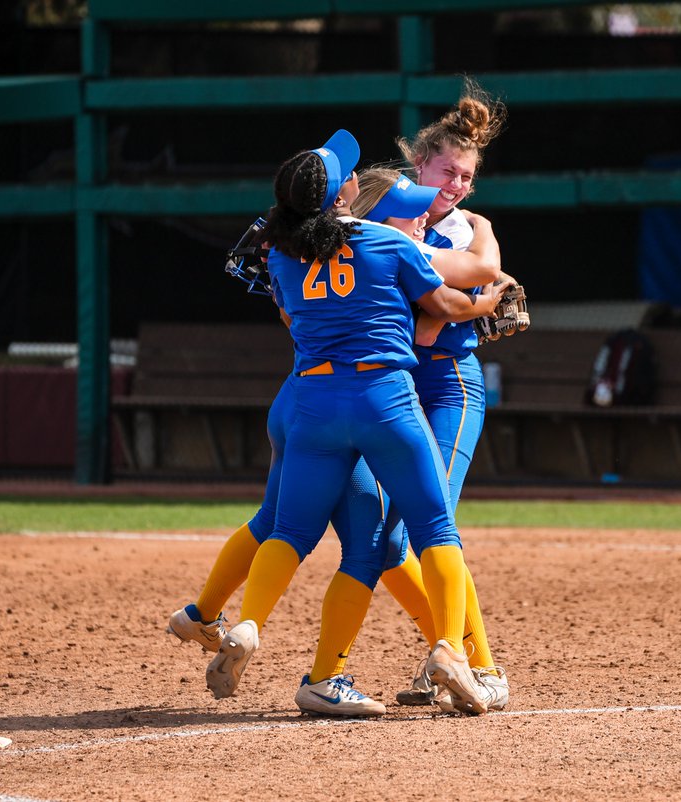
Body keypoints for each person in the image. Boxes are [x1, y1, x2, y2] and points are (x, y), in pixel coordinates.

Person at [203, 129, 507, 715]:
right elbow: (443, 307)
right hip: (382, 398)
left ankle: (246, 624)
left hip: (312, 402)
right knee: (434, 528)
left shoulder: (283, 254)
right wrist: (492, 294)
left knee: (288, 528)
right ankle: (451, 649)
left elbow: (294, 317)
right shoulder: (384, 244)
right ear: (343, 194)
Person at [371, 82, 513, 713]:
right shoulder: (386, 211)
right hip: (391, 388)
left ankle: (477, 667)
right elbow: (443, 303)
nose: (456, 184)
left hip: (449, 383)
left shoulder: (461, 229)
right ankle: (449, 655)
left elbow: (443, 314)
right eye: (446, 171)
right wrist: (462, 299)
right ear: (419, 165)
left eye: (466, 176)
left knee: (435, 526)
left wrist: (450, 303)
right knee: (387, 543)